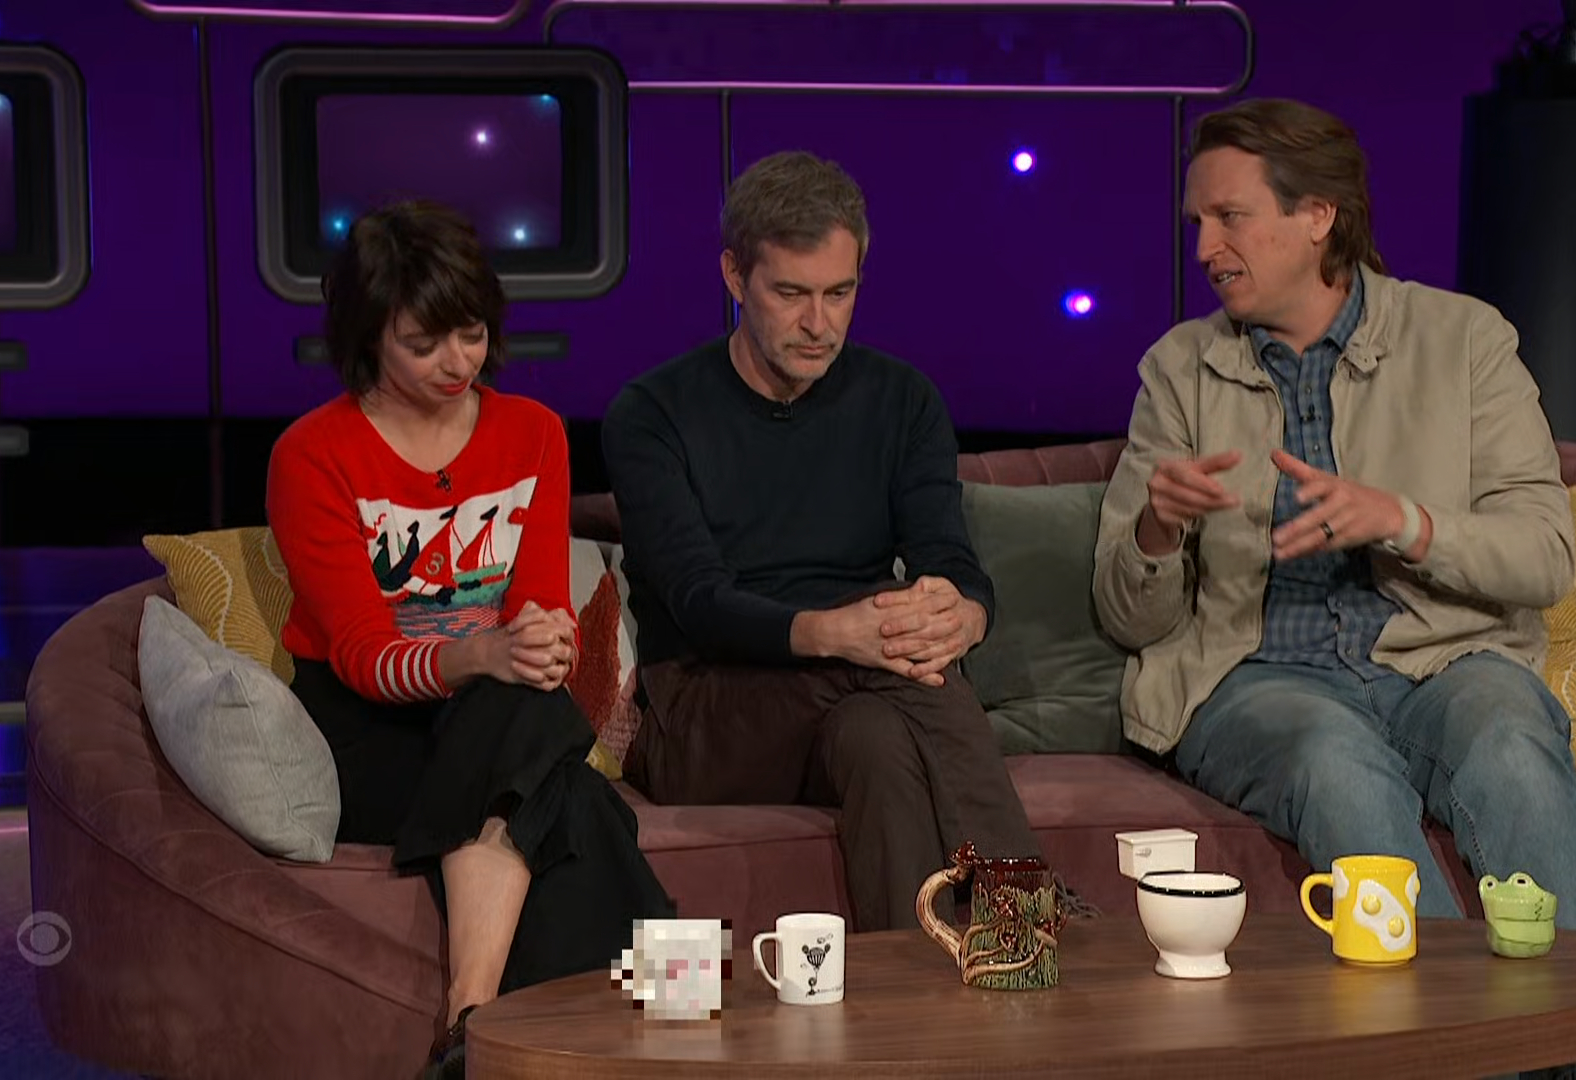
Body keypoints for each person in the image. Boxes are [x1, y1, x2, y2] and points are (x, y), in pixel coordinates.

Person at [1091, 99, 1576, 939]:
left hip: (1445, 663)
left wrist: (1404, 521)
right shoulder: (1180, 371)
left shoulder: (1465, 340)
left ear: (1317, 216)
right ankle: (1443, 1023)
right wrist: (1157, 530)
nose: (1205, 249)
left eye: (1230, 217)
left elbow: (1546, 557)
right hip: (1257, 680)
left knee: (1513, 746)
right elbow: (1129, 621)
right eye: (1198, 223)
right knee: (1337, 766)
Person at [266, 200, 674, 1080]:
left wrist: (547, 642)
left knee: (528, 729)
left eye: (473, 334)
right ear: (369, 338)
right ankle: (668, 1011)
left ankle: (470, 1030)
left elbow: (538, 606)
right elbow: (362, 656)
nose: (459, 363)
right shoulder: (313, 454)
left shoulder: (533, 432)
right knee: (574, 798)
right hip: (368, 727)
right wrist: (483, 654)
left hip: (498, 714)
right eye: (425, 344)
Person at [601, 150, 1053, 933]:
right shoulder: (652, 414)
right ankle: (1028, 921)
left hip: (861, 696)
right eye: (791, 294)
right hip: (706, 713)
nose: (819, 324)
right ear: (735, 276)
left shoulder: (902, 400)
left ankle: (923, 983)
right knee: (896, 670)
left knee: (879, 741)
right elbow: (700, 603)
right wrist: (840, 634)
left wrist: (963, 616)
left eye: (839, 293)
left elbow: (949, 560)